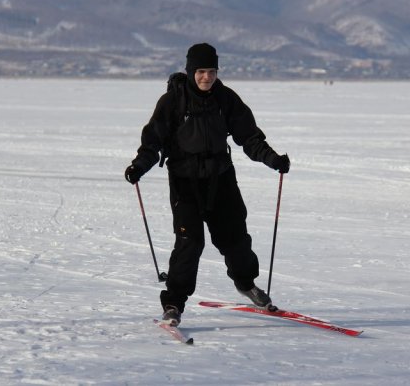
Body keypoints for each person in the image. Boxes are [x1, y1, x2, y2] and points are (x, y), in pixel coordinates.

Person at [124, 43, 290, 326]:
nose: (206, 77)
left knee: (236, 240)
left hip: (221, 179)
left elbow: (249, 138)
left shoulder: (226, 99)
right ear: (191, 71)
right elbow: (152, 142)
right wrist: (139, 165)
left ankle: (246, 283)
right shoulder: (172, 102)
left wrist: (272, 159)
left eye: (212, 71)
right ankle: (174, 303)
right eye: (201, 71)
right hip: (185, 182)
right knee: (190, 243)